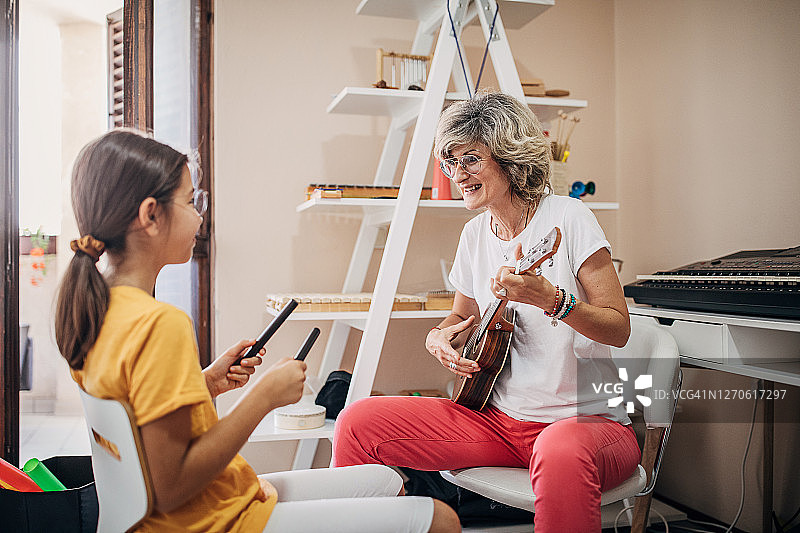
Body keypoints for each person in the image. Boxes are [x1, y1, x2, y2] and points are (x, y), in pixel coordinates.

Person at [55, 129, 461, 533]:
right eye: (189, 201)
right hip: (207, 520)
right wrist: (263, 397)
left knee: (388, 480)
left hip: (189, 509)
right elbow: (172, 484)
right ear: (150, 215)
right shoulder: (159, 324)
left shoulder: (96, 308)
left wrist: (207, 383)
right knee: (441, 520)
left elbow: (139, 418)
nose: (199, 215)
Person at [332, 92, 640, 533]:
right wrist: (438, 338)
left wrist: (553, 300)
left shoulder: (570, 217)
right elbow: (460, 320)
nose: (458, 174)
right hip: (496, 423)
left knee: (560, 451)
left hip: (585, 425)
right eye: (451, 162)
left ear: (510, 158)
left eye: (470, 159)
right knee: (357, 422)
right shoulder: (475, 234)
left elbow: (619, 327)